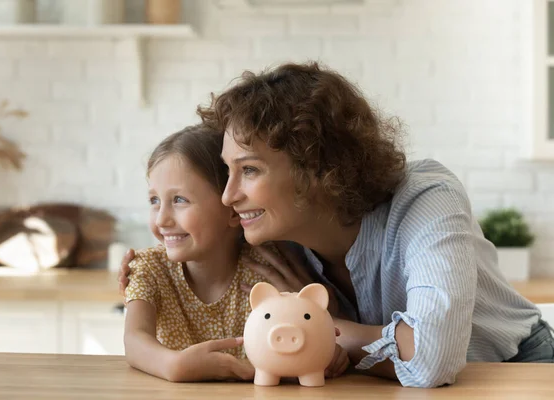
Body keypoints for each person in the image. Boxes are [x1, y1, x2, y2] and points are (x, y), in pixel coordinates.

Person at [119, 62, 553, 388]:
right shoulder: (274, 237)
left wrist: (330, 332)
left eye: (249, 171)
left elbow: (434, 357)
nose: (229, 195)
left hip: (514, 373)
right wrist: (156, 266)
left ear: (317, 166)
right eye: (227, 172)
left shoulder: (426, 199)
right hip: (388, 386)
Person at [122, 124, 350, 382]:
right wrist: (174, 366)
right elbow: (135, 341)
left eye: (179, 200)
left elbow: (306, 345)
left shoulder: (270, 267)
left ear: (232, 209)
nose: (162, 219)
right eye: (154, 200)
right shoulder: (149, 267)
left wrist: (324, 352)